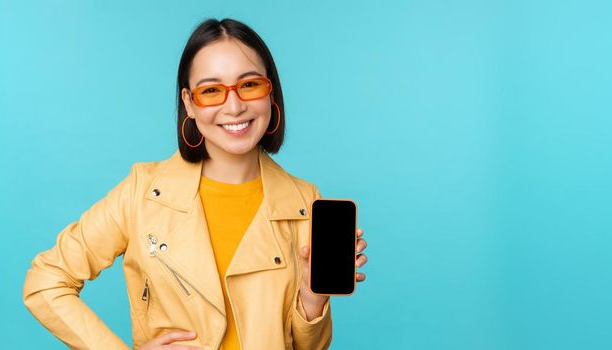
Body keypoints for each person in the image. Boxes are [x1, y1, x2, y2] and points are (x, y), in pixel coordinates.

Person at [22, 18, 369, 350]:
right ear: (189, 103)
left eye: (249, 85)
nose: (234, 106)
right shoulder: (142, 191)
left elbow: (311, 347)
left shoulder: (305, 202)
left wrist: (312, 298)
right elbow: (45, 282)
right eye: (211, 90)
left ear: (270, 92)